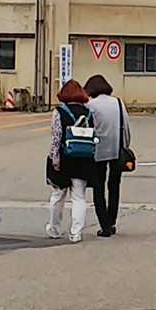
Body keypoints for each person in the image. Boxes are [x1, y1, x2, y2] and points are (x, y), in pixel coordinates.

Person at [46, 79, 93, 243]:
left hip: (64, 157)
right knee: (79, 197)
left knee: (58, 195)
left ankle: (54, 228)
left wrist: (55, 158)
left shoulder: (59, 111)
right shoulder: (88, 112)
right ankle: (76, 232)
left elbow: (56, 137)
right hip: (84, 158)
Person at [84, 74, 130, 239]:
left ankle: (104, 226)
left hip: (97, 151)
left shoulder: (90, 105)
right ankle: (112, 221)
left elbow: (87, 127)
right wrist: (125, 146)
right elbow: (125, 126)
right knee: (114, 186)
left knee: (98, 188)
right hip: (116, 150)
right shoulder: (118, 102)